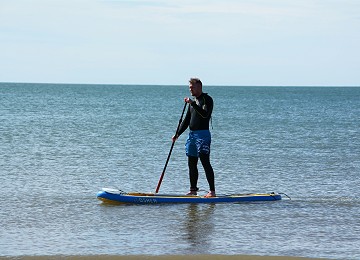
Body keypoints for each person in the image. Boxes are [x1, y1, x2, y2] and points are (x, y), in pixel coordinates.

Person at [172, 78, 216, 198]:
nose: (190, 89)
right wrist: (177, 134)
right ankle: (193, 190)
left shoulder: (207, 99)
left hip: (203, 135)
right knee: (191, 163)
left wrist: (192, 104)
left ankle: (212, 191)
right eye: (189, 87)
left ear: (199, 87)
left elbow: (205, 114)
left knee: (205, 162)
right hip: (192, 135)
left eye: (192, 87)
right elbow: (186, 120)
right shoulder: (193, 102)